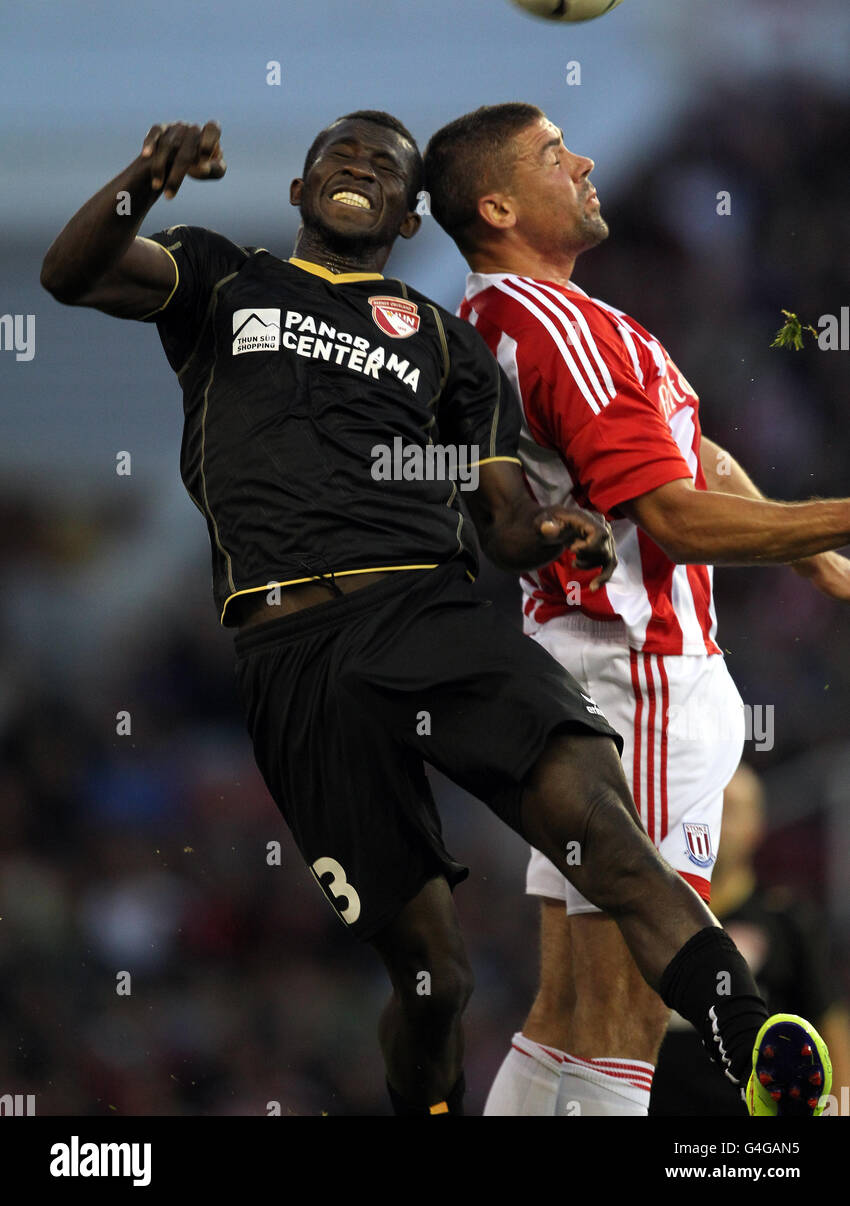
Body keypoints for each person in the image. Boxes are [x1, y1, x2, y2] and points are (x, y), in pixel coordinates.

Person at [42, 111, 833, 1117]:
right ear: (298, 190)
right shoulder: (220, 276)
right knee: (434, 977)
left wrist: (552, 534)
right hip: (290, 654)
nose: (360, 164)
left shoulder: (448, 346)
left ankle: (747, 1030)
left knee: (597, 816)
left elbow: (502, 524)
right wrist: (143, 179)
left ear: (408, 214)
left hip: (424, 610)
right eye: (339, 151)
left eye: (385, 163)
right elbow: (70, 275)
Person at [422, 101, 849, 1117]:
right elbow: (672, 518)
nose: (585, 160)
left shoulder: (542, 321)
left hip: (587, 680)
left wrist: (810, 554)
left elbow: (697, 458)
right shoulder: (557, 330)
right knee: (619, 1024)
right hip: (637, 676)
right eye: (550, 155)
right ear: (496, 203)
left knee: (567, 1014)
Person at [650, 764, 850, 1116]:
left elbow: (832, 1040)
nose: (714, 819)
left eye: (729, 808)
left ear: (756, 828)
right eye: (705, 805)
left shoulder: (790, 922)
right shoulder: (649, 922)